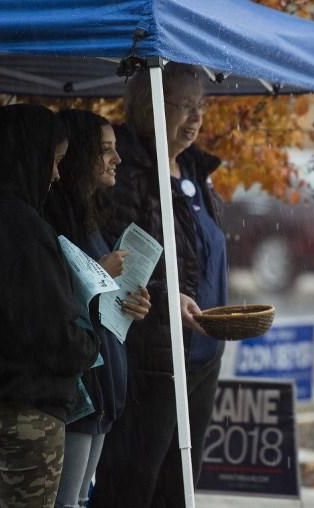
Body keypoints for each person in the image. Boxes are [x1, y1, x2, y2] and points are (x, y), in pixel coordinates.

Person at [0, 104, 100, 507]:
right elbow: (49, 332)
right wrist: (91, 342)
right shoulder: (26, 229)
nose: (55, 174)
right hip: (29, 411)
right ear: (28, 156)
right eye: (54, 161)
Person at [91, 63, 226, 507]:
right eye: (184, 106)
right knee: (134, 481)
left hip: (200, 352)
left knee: (180, 484)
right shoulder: (127, 170)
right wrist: (168, 298)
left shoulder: (191, 168)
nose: (196, 118)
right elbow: (115, 261)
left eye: (199, 106)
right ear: (149, 105)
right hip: (152, 352)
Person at [43, 109, 152, 508]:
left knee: (79, 500)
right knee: (65, 502)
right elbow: (53, 299)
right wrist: (99, 273)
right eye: (105, 150)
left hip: (102, 391)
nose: (116, 159)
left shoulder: (91, 217)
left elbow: (98, 301)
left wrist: (131, 303)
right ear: (80, 155)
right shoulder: (52, 218)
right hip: (78, 390)